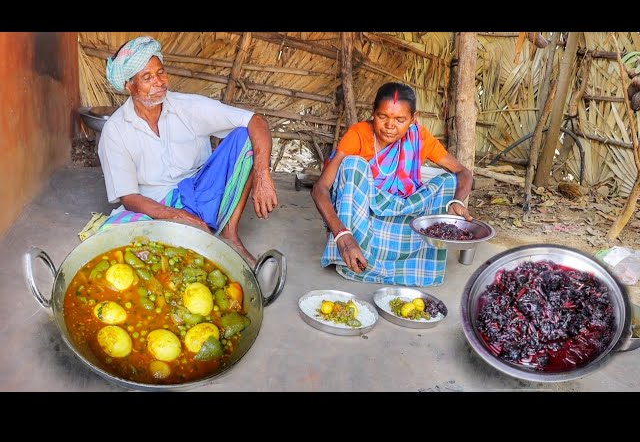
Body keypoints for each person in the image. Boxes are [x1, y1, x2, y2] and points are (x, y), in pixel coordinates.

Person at [97, 36, 278, 266]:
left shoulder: (189, 107)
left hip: (201, 194)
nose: (159, 82)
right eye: (147, 77)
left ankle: (229, 235)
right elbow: (130, 197)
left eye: (161, 72)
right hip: (155, 208)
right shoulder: (116, 130)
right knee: (118, 244)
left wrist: (263, 175)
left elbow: (256, 121)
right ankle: (192, 237)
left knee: (245, 136)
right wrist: (178, 216)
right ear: (128, 85)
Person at [311, 82, 473, 287]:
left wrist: (457, 200)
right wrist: (342, 235)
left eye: (400, 119)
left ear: (414, 119)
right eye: (382, 116)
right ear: (373, 113)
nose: (389, 126)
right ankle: (355, 253)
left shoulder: (420, 137)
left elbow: (463, 172)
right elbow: (320, 189)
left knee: (448, 180)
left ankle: (412, 265)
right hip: (364, 218)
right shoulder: (359, 134)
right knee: (352, 165)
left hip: (403, 217)